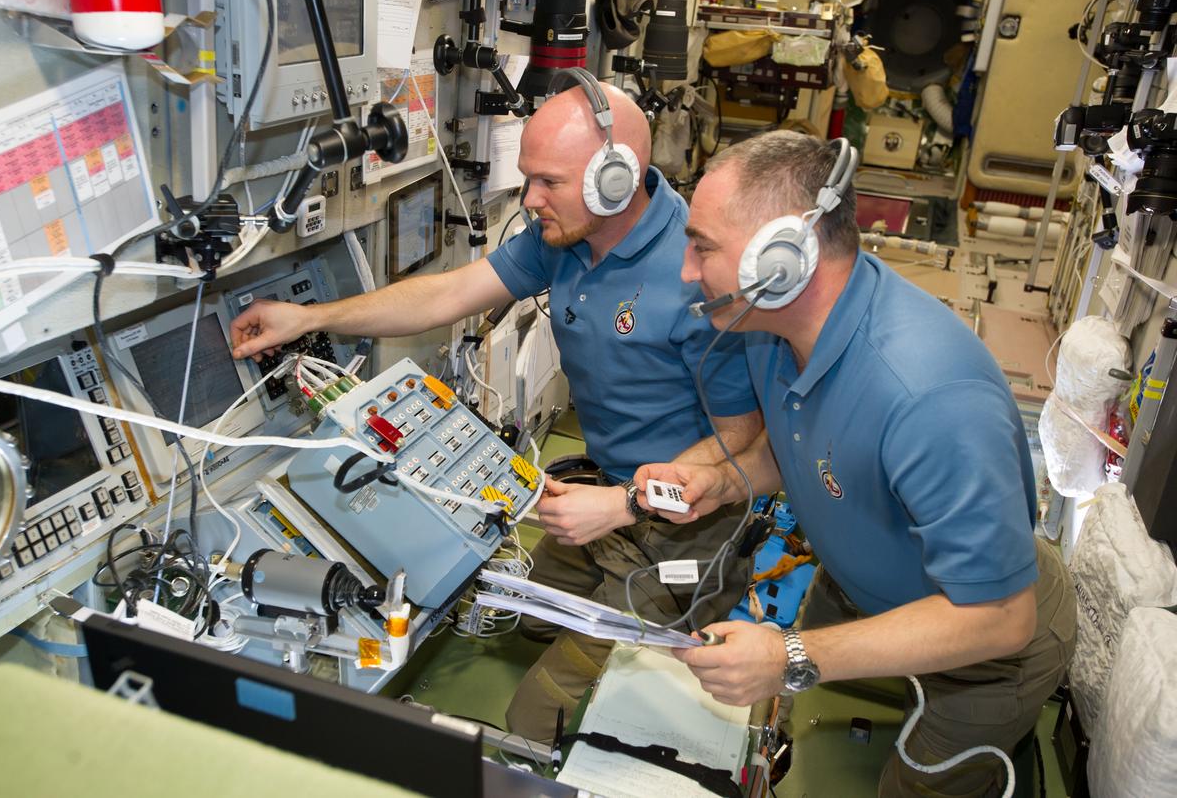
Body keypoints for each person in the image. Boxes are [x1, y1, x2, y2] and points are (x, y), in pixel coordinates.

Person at [229, 76, 760, 743]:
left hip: (685, 522)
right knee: (525, 618)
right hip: (608, 494)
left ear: (614, 180)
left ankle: (703, 595)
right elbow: (447, 294)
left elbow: (741, 444)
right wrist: (307, 315)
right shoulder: (563, 236)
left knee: (536, 718)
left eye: (548, 182)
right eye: (528, 179)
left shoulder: (697, 276)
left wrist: (626, 503)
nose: (531, 199)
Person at [636, 131, 1076, 797]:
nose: (687, 273)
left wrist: (789, 654)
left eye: (702, 247)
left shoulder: (929, 395)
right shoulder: (769, 324)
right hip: (855, 591)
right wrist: (724, 478)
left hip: (983, 642)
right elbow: (802, 445)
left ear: (778, 260)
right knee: (802, 750)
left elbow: (1000, 615)